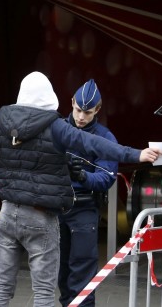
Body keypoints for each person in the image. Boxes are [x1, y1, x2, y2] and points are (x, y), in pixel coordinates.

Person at [0, 71, 162, 307]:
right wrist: (137, 154)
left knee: (1, 285)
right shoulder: (56, 126)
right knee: (44, 289)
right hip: (41, 217)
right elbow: (95, 145)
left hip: (7, 214)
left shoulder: (1, 119)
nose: (80, 115)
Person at [58, 79, 117, 307]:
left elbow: (107, 178)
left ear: (98, 110)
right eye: (78, 110)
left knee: (82, 276)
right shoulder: (58, 129)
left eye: (88, 112)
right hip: (57, 207)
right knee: (62, 272)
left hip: (84, 208)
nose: (81, 117)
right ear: (72, 102)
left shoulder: (105, 137)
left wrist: (83, 176)